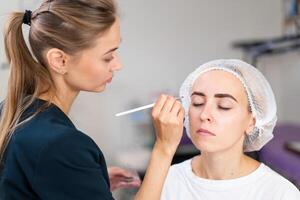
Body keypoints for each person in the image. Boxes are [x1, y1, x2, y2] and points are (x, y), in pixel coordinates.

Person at [0, 0, 185, 199]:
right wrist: (164, 148)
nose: (118, 65)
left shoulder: (11, 110)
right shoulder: (61, 144)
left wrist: (86, 181)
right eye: (108, 57)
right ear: (59, 60)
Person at [161, 59, 300, 200]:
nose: (204, 115)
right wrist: (162, 148)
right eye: (197, 103)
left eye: (224, 106)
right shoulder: (165, 180)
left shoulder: (280, 193)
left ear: (251, 123)